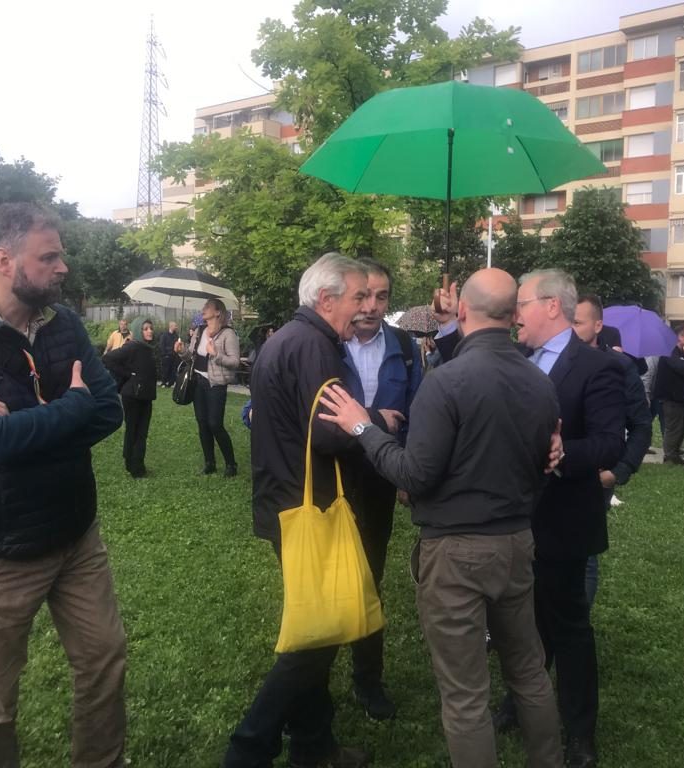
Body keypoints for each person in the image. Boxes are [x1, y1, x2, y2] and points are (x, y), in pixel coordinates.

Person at [319, 268, 564, 768]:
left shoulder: (445, 382)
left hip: (456, 554)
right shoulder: (540, 382)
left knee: (465, 695)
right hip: (517, 543)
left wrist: (363, 427)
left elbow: (414, 475)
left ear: (464, 311)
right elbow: (542, 464)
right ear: (513, 315)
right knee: (529, 672)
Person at [0, 202, 126, 767]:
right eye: (49, 257)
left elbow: (109, 411)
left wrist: (25, 425)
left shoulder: (64, 325)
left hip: (75, 532)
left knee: (105, 660)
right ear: (4, 259)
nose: (63, 267)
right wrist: (70, 408)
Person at [225, 252, 385, 768]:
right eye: (358, 296)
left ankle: (314, 748)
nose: (365, 307)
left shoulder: (284, 340)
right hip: (308, 508)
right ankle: (247, 751)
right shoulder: (316, 346)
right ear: (326, 299)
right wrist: (377, 421)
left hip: (284, 501)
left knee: (316, 627)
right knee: (315, 641)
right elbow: (331, 433)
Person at [495, 269, 625, 768]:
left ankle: (580, 732)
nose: (515, 314)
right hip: (513, 517)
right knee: (522, 621)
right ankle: (519, 701)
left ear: (551, 305)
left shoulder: (597, 366)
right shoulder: (516, 358)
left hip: (565, 519)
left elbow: (610, 442)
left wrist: (563, 452)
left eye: (522, 303)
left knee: (568, 627)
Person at [341, 258, 422, 721]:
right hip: (331, 476)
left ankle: (367, 679)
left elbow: (416, 412)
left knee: (370, 577)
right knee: (326, 576)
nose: (372, 306)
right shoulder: (325, 342)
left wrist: (406, 472)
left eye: (382, 296)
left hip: (379, 480)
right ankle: (311, 675)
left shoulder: (405, 347)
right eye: (364, 295)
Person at [572, 294, 652, 605]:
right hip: (552, 472)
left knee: (584, 555)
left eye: (577, 322)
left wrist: (619, 471)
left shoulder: (618, 366)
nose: (570, 329)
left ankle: (578, 619)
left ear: (597, 326)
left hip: (595, 476)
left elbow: (641, 425)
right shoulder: (549, 357)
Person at [177, 299, 241, 477]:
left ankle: (231, 464)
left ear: (218, 312)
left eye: (207, 307)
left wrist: (216, 354)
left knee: (215, 424)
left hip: (216, 385)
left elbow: (235, 362)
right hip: (198, 383)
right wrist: (182, 351)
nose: (203, 309)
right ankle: (209, 463)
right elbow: (191, 358)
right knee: (202, 423)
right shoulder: (199, 331)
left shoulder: (228, 334)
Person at [104, 320, 159, 478]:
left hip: (145, 395)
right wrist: (128, 374)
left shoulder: (149, 348)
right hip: (133, 395)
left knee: (142, 431)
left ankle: (136, 464)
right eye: (145, 329)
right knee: (134, 430)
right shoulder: (133, 346)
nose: (149, 331)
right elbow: (108, 358)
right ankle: (134, 466)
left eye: (151, 328)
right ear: (138, 330)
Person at [654, 323, 684, 465]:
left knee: (681, 428)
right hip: (670, 397)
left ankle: (675, 454)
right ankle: (669, 456)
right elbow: (682, 368)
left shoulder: (681, 352)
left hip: (681, 397)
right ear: (679, 336)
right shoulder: (669, 351)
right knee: (673, 427)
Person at [159, 320, 179, 387]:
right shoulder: (164, 335)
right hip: (166, 356)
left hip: (174, 355)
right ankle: (164, 382)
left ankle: (171, 383)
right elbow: (162, 345)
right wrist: (165, 354)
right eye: (175, 326)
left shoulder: (176, 335)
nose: (176, 327)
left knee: (173, 370)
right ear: (171, 326)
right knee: (165, 370)